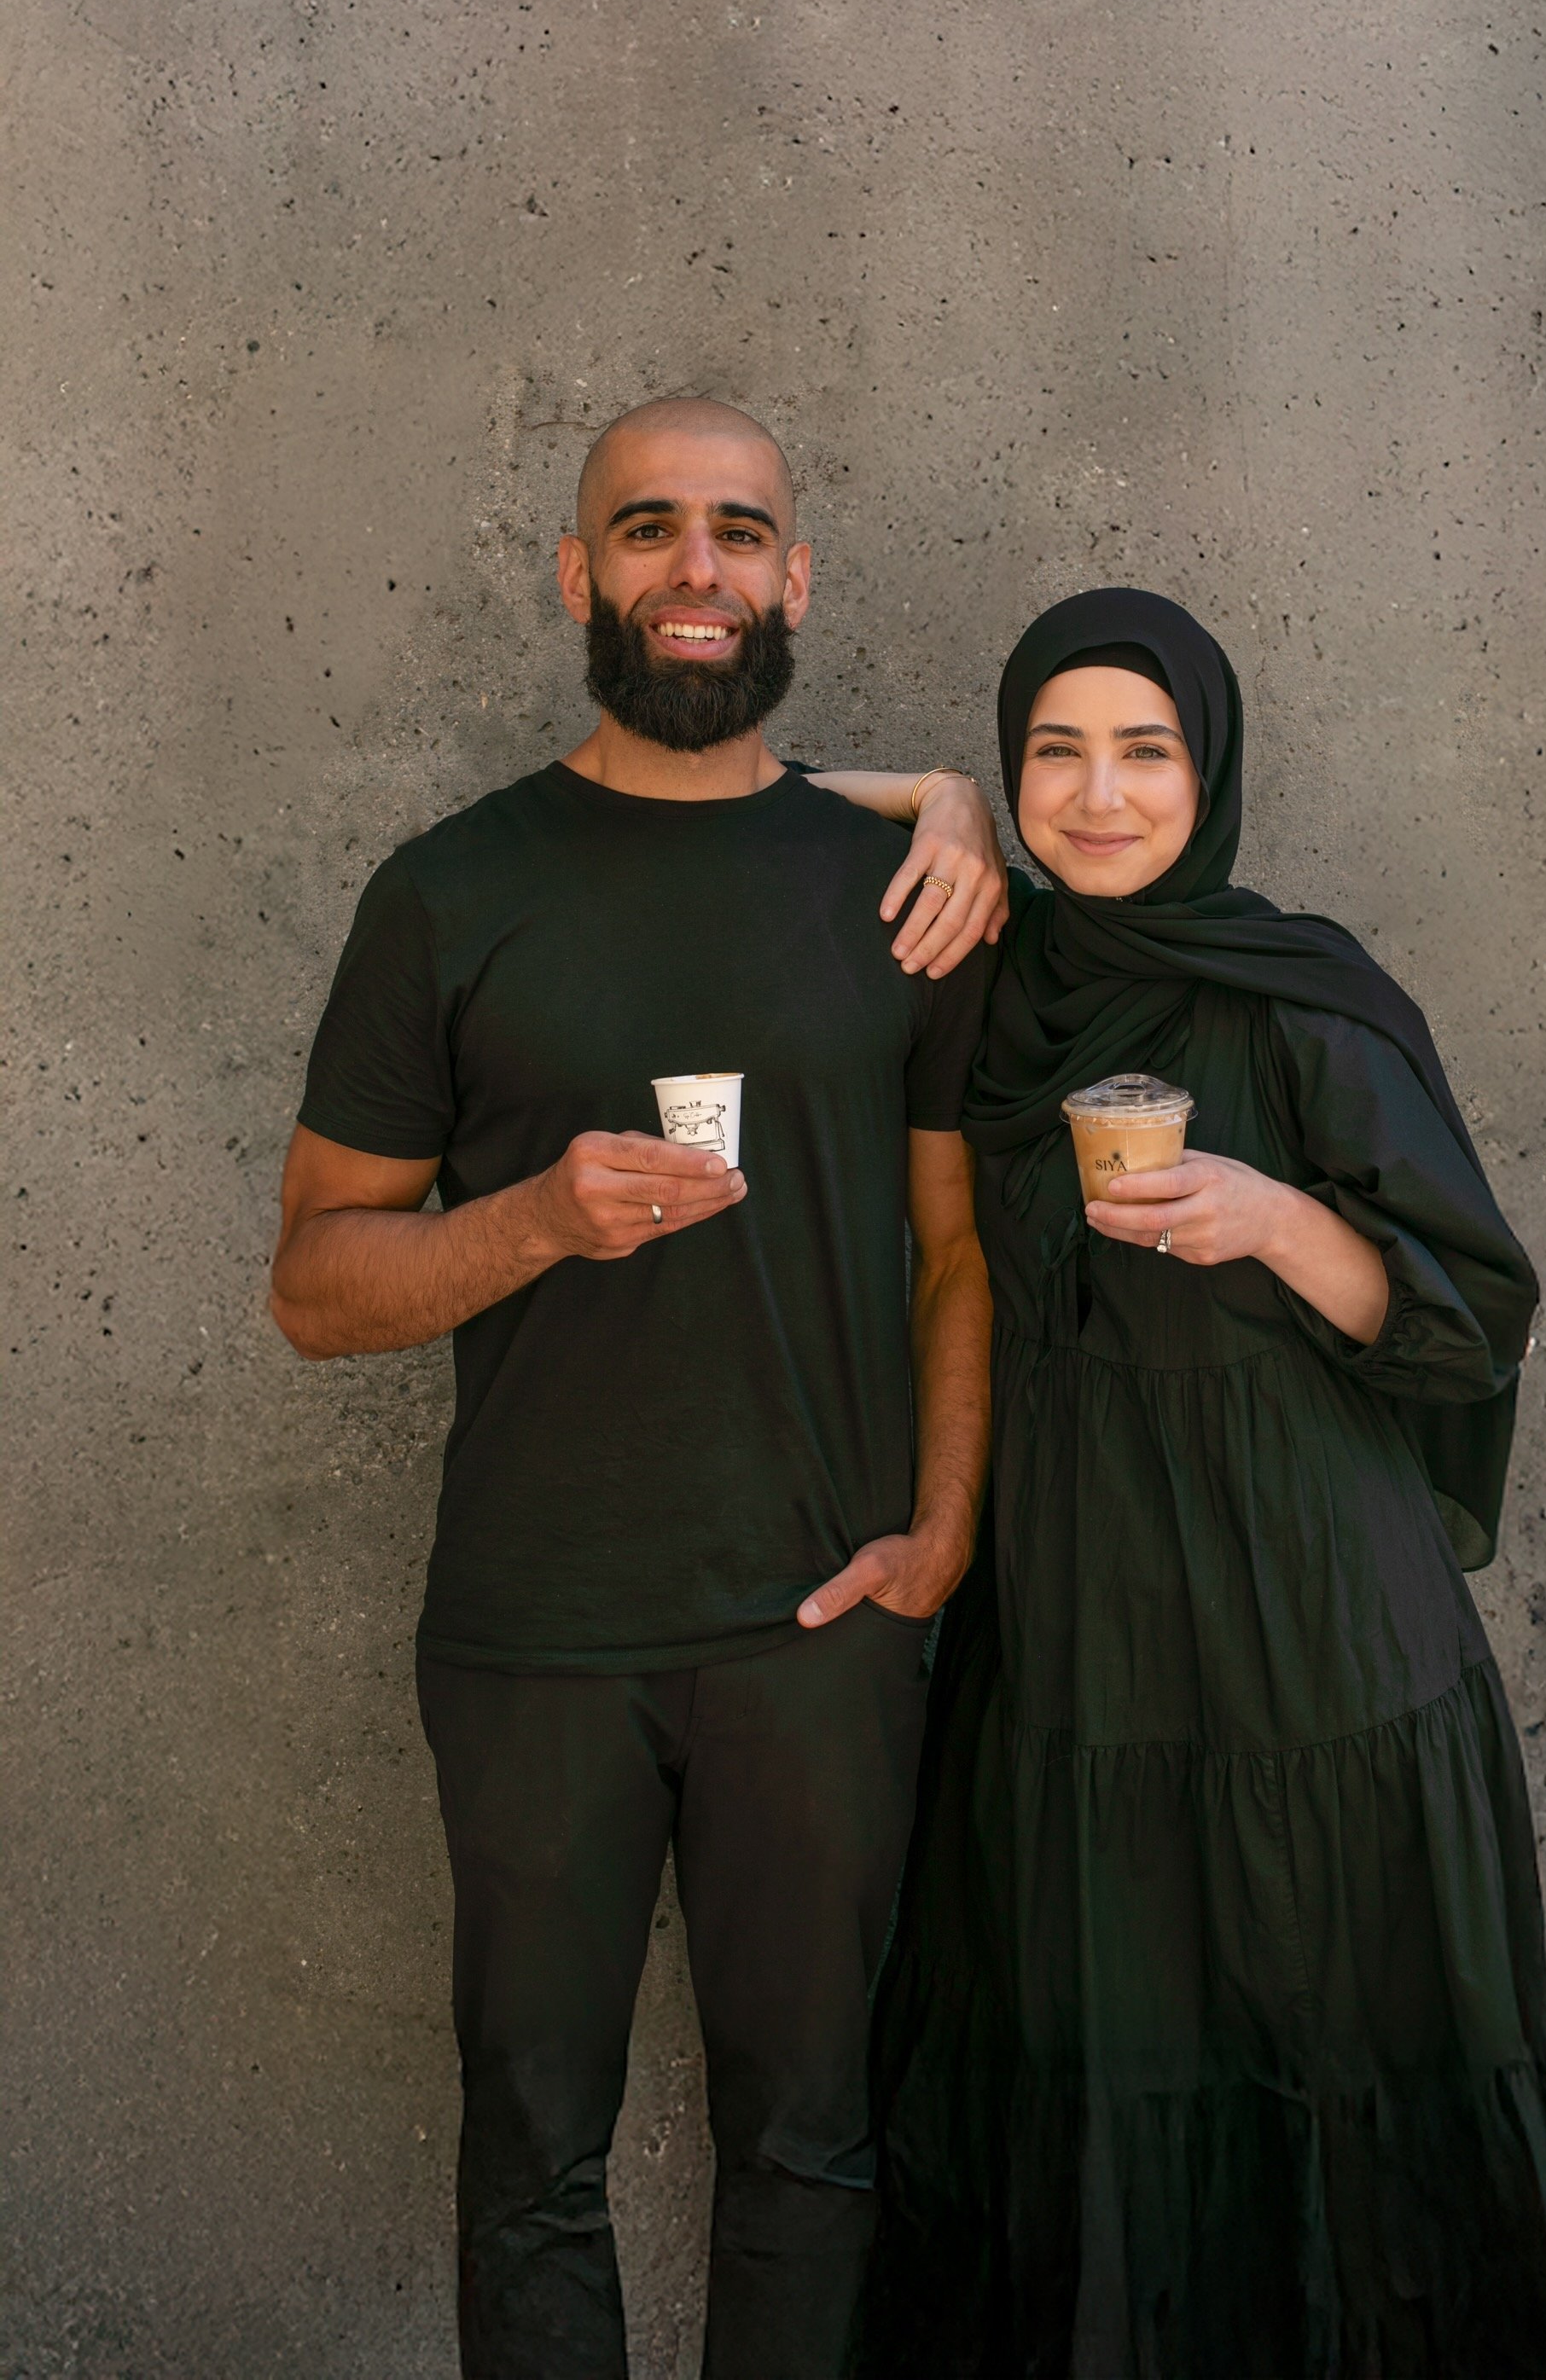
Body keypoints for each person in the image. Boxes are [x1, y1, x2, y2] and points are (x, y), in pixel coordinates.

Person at [268, 395, 1012, 2380]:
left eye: (741, 532)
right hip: (535, 1638)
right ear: (579, 568)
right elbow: (317, 1283)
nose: (701, 567)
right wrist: (531, 1223)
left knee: (814, 2149)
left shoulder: (908, 897)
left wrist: (941, 1534)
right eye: (652, 528)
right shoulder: (448, 889)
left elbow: (959, 1253)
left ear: (796, 577)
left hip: (823, 1628)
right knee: (530, 2156)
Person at [856, 589, 1546, 2379]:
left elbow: (1472, 1323)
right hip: (1080, 1653)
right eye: (1050, 753)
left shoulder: (1303, 990)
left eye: (1146, 749)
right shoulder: (987, 983)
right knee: (1103, 2127)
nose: (1100, 792)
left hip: (1316, 1653)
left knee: (1353, 2123)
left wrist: (1280, 1219)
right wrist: (931, 801)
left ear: (1208, 774)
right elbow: (718, 800)